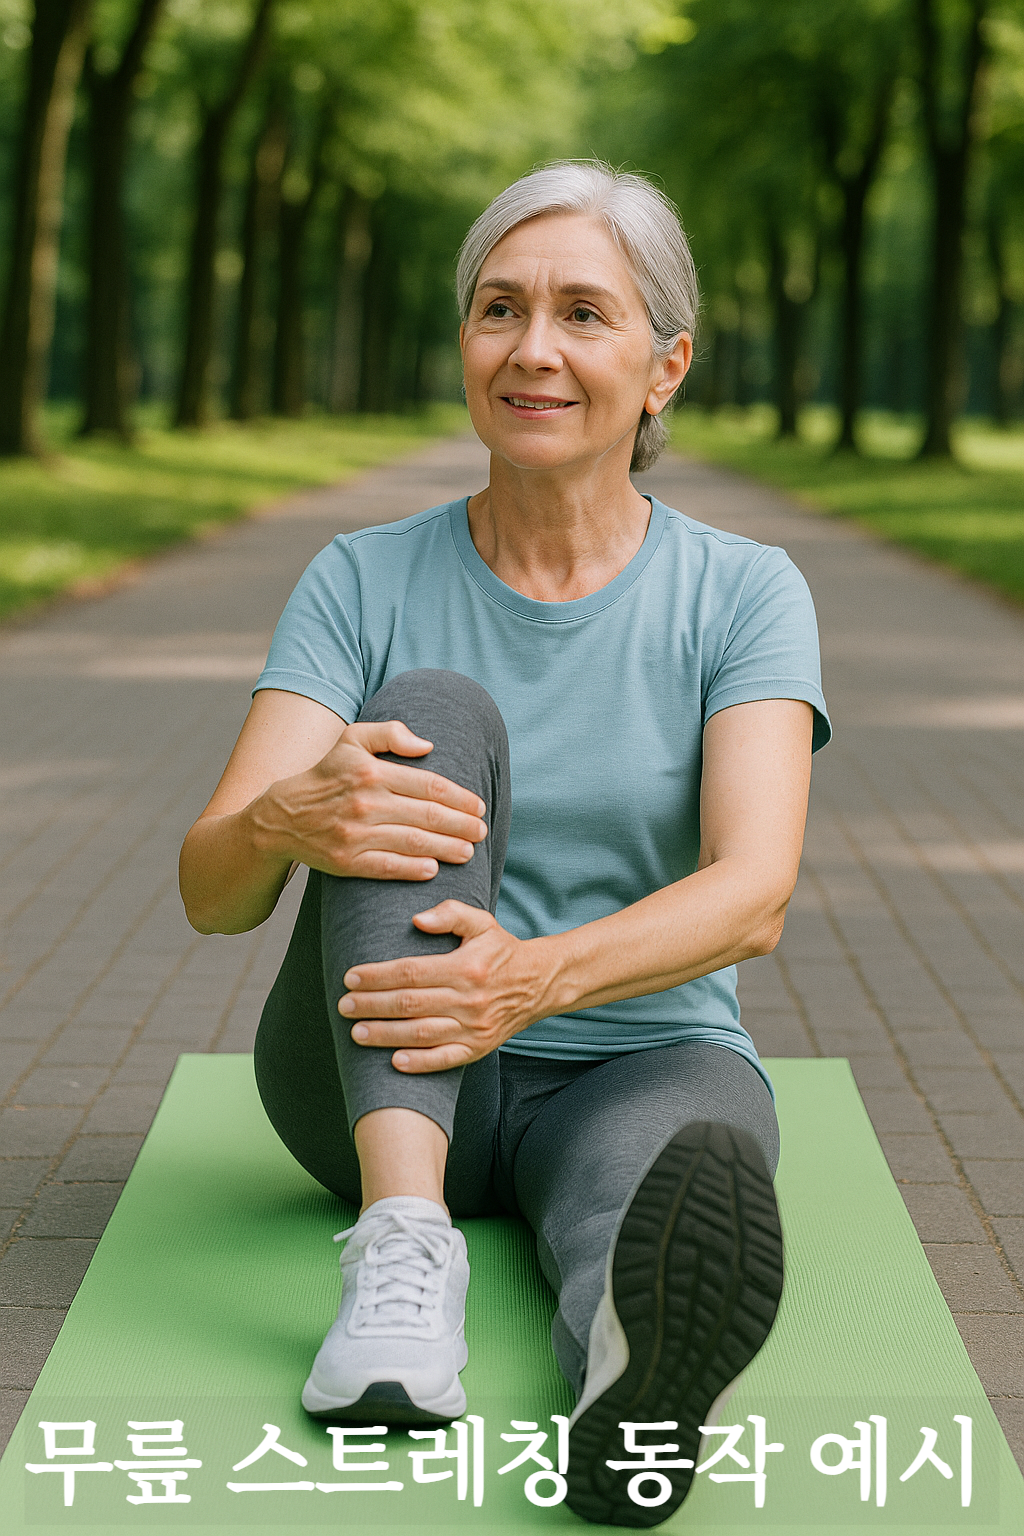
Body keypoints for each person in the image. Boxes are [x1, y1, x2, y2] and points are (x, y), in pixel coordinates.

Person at [179, 160, 830, 1528]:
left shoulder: (744, 590)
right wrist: (288, 817)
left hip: (637, 1054)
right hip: (380, 1073)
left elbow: (753, 892)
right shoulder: (361, 576)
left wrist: (528, 980)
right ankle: (401, 1256)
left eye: (584, 314)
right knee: (425, 713)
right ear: (466, 340)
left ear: (664, 367)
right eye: (499, 309)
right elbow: (213, 892)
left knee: (649, 1203)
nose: (532, 348)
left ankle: (627, 1397)